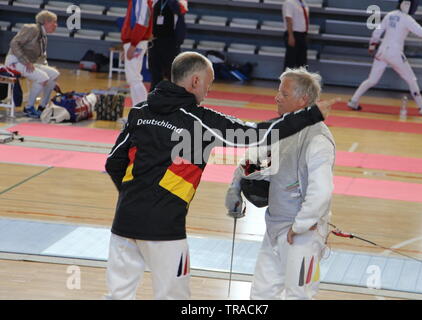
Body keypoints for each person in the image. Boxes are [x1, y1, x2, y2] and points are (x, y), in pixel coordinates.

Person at [104, 51, 337, 300]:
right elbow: (256, 133)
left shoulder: (140, 111)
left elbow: (113, 163)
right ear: (195, 81)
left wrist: (135, 197)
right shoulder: (201, 122)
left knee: (117, 295)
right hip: (164, 229)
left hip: (124, 222)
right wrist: (311, 115)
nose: (209, 90)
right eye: (209, 83)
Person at [225, 67, 335, 300]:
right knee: (261, 294)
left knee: (298, 295)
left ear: (303, 99)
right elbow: (252, 164)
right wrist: (235, 187)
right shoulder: (281, 130)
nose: (277, 97)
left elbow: (321, 191)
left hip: (302, 235)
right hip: (274, 228)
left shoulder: (317, 139)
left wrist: (301, 225)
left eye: (284, 94)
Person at [347, 0, 422, 115]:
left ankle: (353, 100)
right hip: (395, 54)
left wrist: (372, 45)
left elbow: (377, 32)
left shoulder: (390, 15)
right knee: (411, 79)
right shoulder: (407, 19)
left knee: (372, 80)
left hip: (382, 52)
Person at [5, 10, 59, 118]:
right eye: (54, 22)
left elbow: (42, 59)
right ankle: (29, 108)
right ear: (46, 22)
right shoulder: (32, 29)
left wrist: (52, 81)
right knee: (43, 78)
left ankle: (42, 107)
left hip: (27, 63)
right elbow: (14, 43)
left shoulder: (44, 37)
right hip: (15, 61)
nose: (56, 25)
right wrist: (25, 61)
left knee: (54, 74)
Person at [148, 0, 187, 91]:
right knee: (155, 73)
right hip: (155, 42)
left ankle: (175, 99)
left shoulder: (177, 3)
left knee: (173, 75)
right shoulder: (156, 3)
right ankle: (154, 98)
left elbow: (180, 24)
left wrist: (178, 42)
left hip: (170, 44)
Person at [121, 0, 153, 106]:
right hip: (134, 42)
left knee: (134, 79)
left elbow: (142, 22)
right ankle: (140, 111)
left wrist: (133, 44)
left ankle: (142, 112)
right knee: (133, 78)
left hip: (136, 42)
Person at [282, 0, 310, 70]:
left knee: (302, 62)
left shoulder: (303, 3)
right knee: (290, 61)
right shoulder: (289, 2)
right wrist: (291, 36)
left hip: (302, 34)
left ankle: (301, 80)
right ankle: (287, 80)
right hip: (294, 33)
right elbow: (288, 19)